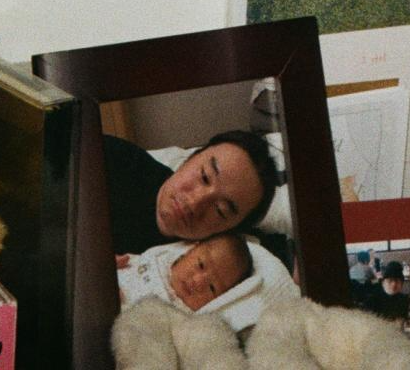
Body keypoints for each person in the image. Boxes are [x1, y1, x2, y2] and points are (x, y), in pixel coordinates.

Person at [103, 130, 281, 255]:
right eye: (204, 177)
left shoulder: (222, 259)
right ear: (190, 158)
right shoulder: (111, 160)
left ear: (230, 229)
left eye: (220, 210)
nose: (195, 202)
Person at [115, 233, 254, 313]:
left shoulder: (181, 317)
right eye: (201, 265)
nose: (198, 281)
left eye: (212, 288)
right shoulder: (160, 257)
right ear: (190, 250)